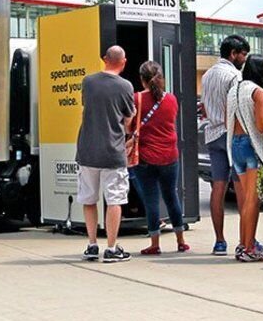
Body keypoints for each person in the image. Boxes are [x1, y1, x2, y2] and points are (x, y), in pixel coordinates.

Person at [77, 46, 135, 263]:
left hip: (87, 150)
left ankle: (92, 245)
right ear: (123, 62)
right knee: (114, 200)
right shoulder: (125, 86)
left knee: (89, 199)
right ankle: (111, 248)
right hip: (113, 151)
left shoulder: (88, 82)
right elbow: (128, 121)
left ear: (105, 59)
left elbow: (86, 108)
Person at [132, 61, 188, 255]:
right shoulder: (171, 99)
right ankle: (181, 241)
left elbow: (130, 125)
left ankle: (155, 243)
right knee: (171, 196)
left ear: (142, 79)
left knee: (151, 200)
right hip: (170, 156)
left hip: (145, 157)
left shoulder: (137, 99)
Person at [200, 35, 250, 255]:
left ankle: (219, 241)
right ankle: (245, 239)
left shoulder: (207, 75)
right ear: (233, 54)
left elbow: (204, 107)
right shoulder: (234, 76)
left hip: (212, 134)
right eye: (243, 55)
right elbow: (238, 107)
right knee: (241, 187)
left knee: (218, 187)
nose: (244, 59)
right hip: (231, 134)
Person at [228, 56, 263, 262]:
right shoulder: (257, 92)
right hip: (251, 146)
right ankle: (249, 248)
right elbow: (261, 125)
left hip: (235, 144)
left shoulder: (234, 90)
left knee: (246, 199)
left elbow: (227, 120)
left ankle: (243, 244)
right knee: (252, 200)